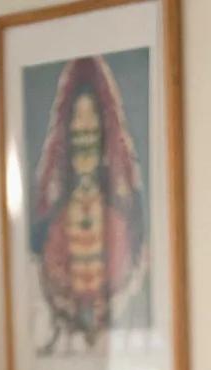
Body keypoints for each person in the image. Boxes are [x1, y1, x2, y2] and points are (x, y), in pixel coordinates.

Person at [31, 55, 148, 352]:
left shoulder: (122, 224)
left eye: (91, 136)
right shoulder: (53, 227)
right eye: (78, 137)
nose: (84, 149)